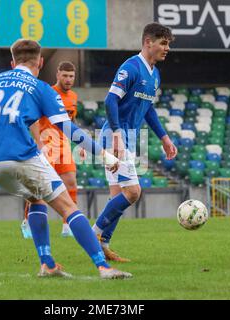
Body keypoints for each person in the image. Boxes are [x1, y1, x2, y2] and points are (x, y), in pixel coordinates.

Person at [0, 39, 132, 279]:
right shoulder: (39, 87)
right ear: (41, 62)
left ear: (12, 62)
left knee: (36, 199)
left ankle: (47, 264)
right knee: (68, 207)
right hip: (21, 156)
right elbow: (68, 129)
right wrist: (104, 154)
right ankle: (103, 267)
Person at [92, 23, 178, 262]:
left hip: (128, 136)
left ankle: (103, 245)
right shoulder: (130, 67)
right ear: (148, 42)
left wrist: (164, 137)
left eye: (168, 44)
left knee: (117, 196)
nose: (167, 48)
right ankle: (93, 236)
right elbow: (110, 101)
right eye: (163, 43)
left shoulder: (155, 74)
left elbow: (147, 108)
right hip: (115, 136)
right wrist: (117, 134)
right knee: (132, 192)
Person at [22, 61, 82, 238]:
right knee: (40, 187)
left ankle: (67, 224)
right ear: (57, 75)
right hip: (46, 145)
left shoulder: (73, 97)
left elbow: (71, 122)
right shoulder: (46, 93)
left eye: (71, 76)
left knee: (71, 181)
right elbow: (32, 118)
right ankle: (27, 222)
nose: (68, 79)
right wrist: (38, 141)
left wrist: (79, 142)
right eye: (65, 75)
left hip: (63, 144)